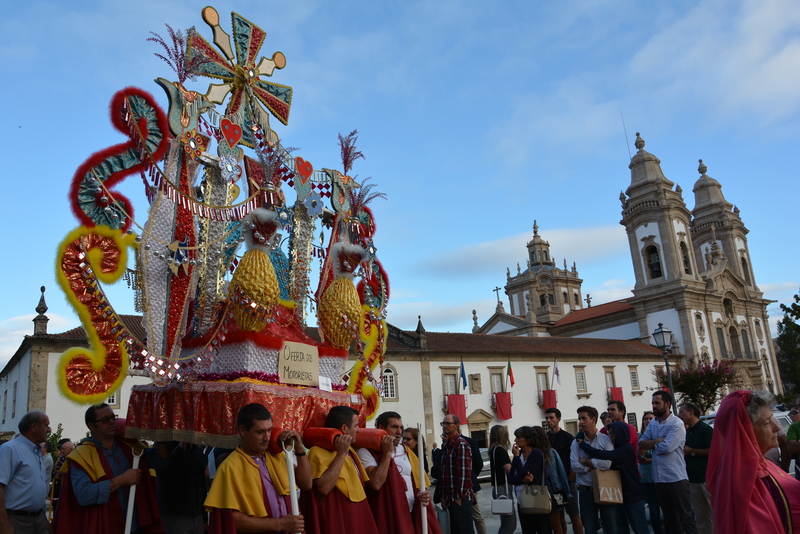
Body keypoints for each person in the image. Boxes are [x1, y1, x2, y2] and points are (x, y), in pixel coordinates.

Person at [52, 403, 168, 534]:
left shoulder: (130, 447)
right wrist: (122, 479)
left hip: (137, 526)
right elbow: (84, 495)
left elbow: (160, 463)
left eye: (113, 418)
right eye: (105, 420)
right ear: (92, 426)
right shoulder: (82, 455)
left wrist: (161, 440)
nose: (112, 422)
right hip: (105, 526)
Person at [204, 403, 310, 533]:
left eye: (269, 430)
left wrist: (299, 449)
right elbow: (232, 519)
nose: (267, 438)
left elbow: (306, 484)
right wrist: (280, 524)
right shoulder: (230, 468)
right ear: (243, 430)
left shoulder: (277, 455)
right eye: (260, 432)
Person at [708, 390, 800, 533]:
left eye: (773, 420)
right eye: (767, 422)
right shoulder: (745, 479)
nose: (776, 428)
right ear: (745, 430)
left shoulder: (761, 463)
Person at [357, 411, 439, 534]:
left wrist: (424, 494)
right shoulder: (366, 452)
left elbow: (418, 482)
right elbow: (375, 483)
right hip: (388, 515)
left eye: (401, 427)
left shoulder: (406, 450)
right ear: (381, 428)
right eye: (394, 427)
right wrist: (387, 453)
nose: (399, 432)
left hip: (413, 511)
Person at [303, 405, 379, 534]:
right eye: (356, 425)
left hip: (357, 515)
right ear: (344, 428)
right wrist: (341, 455)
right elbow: (324, 487)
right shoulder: (318, 451)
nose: (359, 430)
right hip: (337, 518)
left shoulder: (350, 451)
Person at [639, 391, 698, 534]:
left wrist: (652, 444)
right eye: (653, 403)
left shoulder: (677, 424)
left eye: (657, 403)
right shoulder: (653, 423)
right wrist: (657, 441)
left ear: (667, 405)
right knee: (670, 519)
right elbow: (641, 444)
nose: (654, 406)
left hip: (676, 478)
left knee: (686, 517)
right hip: (659, 479)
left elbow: (668, 447)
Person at [578, 421, 648, 534]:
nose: (611, 437)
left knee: (639, 528)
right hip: (621, 493)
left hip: (633, 494)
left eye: (614, 434)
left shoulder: (626, 448)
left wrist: (584, 449)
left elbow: (606, 456)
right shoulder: (617, 446)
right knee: (622, 528)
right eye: (610, 433)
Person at [0, 411, 51, 534]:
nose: (49, 430)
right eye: (46, 425)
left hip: (38, 519)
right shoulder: (10, 449)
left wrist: (44, 521)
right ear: (34, 427)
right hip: (17, 520)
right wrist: (4, 525)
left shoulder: (36, 451)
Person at [570, 405, 618, 534]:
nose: (581, 422)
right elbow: (574, 465)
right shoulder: (576, 442)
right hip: (586, 490)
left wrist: (587, 462)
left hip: (605, 487)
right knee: (589, 527)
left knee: (611, 526)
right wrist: (590, 467)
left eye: (584, 418)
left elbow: (607, 463)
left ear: (593, 419)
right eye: (579, 418)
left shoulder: (605, 439)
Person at [544, 408, 583, 534]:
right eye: (547, 418)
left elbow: (574, 458)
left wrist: (571, 477)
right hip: (553, 484)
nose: (549, 420)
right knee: (558, 515)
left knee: (574, 514)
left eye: (551, 418)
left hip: (568, 481)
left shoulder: (567, 438)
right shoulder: (546, 438)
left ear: (558, 419)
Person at [508, 426, 552, 534]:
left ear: (528, 440)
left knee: (543, 529)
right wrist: (523, 480)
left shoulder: (536, 454)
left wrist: (517, 458)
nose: (515, 440)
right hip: (522, 500)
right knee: (527, 530)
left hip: (537, 497)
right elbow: (511, 479)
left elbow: (525, 473)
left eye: (518, 437)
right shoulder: (519, 455)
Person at [678, 402, 713, 534]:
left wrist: (692, 451)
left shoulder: (705, 429)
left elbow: (713, 452)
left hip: (707, 479)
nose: (679, 415)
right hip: (692, 480)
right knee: (700, 516)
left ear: (691, 412)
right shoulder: (686, 432)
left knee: (713, 513)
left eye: (682, 412)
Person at [157, 442, 207, 534]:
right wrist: (181, 446)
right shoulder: (165, 445)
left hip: (197, 515)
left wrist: (204, 518)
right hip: (175, 516)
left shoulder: (197, 449)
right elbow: (164, 471)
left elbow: (201, 483)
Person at [437, 414, 475, 534]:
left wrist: (459, 497)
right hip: (449, 498)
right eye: (443, 424)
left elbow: (464, 473)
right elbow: (443, 473)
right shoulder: (447, 445)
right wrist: (443, 496)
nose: (445, 426)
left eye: (448, 423)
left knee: (465, 530)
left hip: (460, 499)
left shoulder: (461, 445)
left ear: (457, 425)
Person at [488, 425, 516, 534]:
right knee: (511, 525)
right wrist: (516, 457)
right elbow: (510, 470)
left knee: (505, 524)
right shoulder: (500, 450)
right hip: (503, 490)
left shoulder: (493, 450)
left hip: (497, 488)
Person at [638, 411, 663, 534]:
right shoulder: (641, 438)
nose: (648, 421)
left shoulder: (660, 435)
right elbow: (641, 456)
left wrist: (651, 459)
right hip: (647, 478)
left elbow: (665, 454)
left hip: (662, 478)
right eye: (645, 419)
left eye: (651, 419)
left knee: (666, 508)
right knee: (653, 510)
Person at [461, 432, 486, 534]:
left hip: (470, 486)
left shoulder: (470, 442)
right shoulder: (447, 443)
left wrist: (472, 476)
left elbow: (479, 463)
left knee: (476, 516)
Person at [785, 407, 800, 478]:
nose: (791, 416)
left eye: (794, 413)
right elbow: (791, 447)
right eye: (790, 414)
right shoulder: (794, 427)